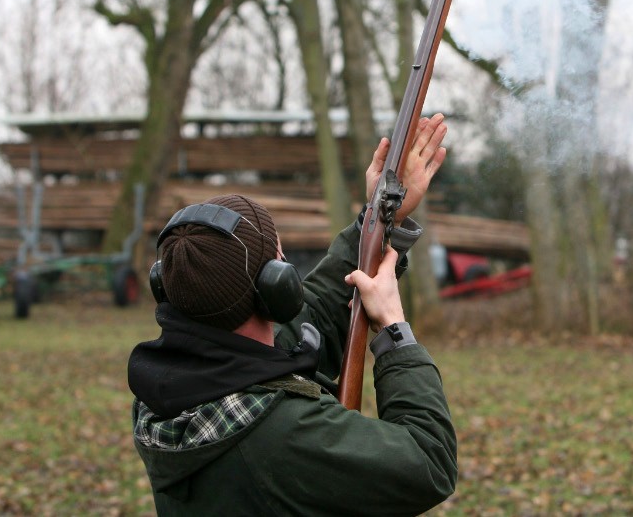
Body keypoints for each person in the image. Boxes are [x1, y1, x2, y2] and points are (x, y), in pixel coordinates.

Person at [127, 115, 456, 516]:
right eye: (280, 261)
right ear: (276, 289)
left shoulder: (171, 387)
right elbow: (429, 459)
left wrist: (382, 218)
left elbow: (315, 314)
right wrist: (394, 330)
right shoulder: (286, 436)